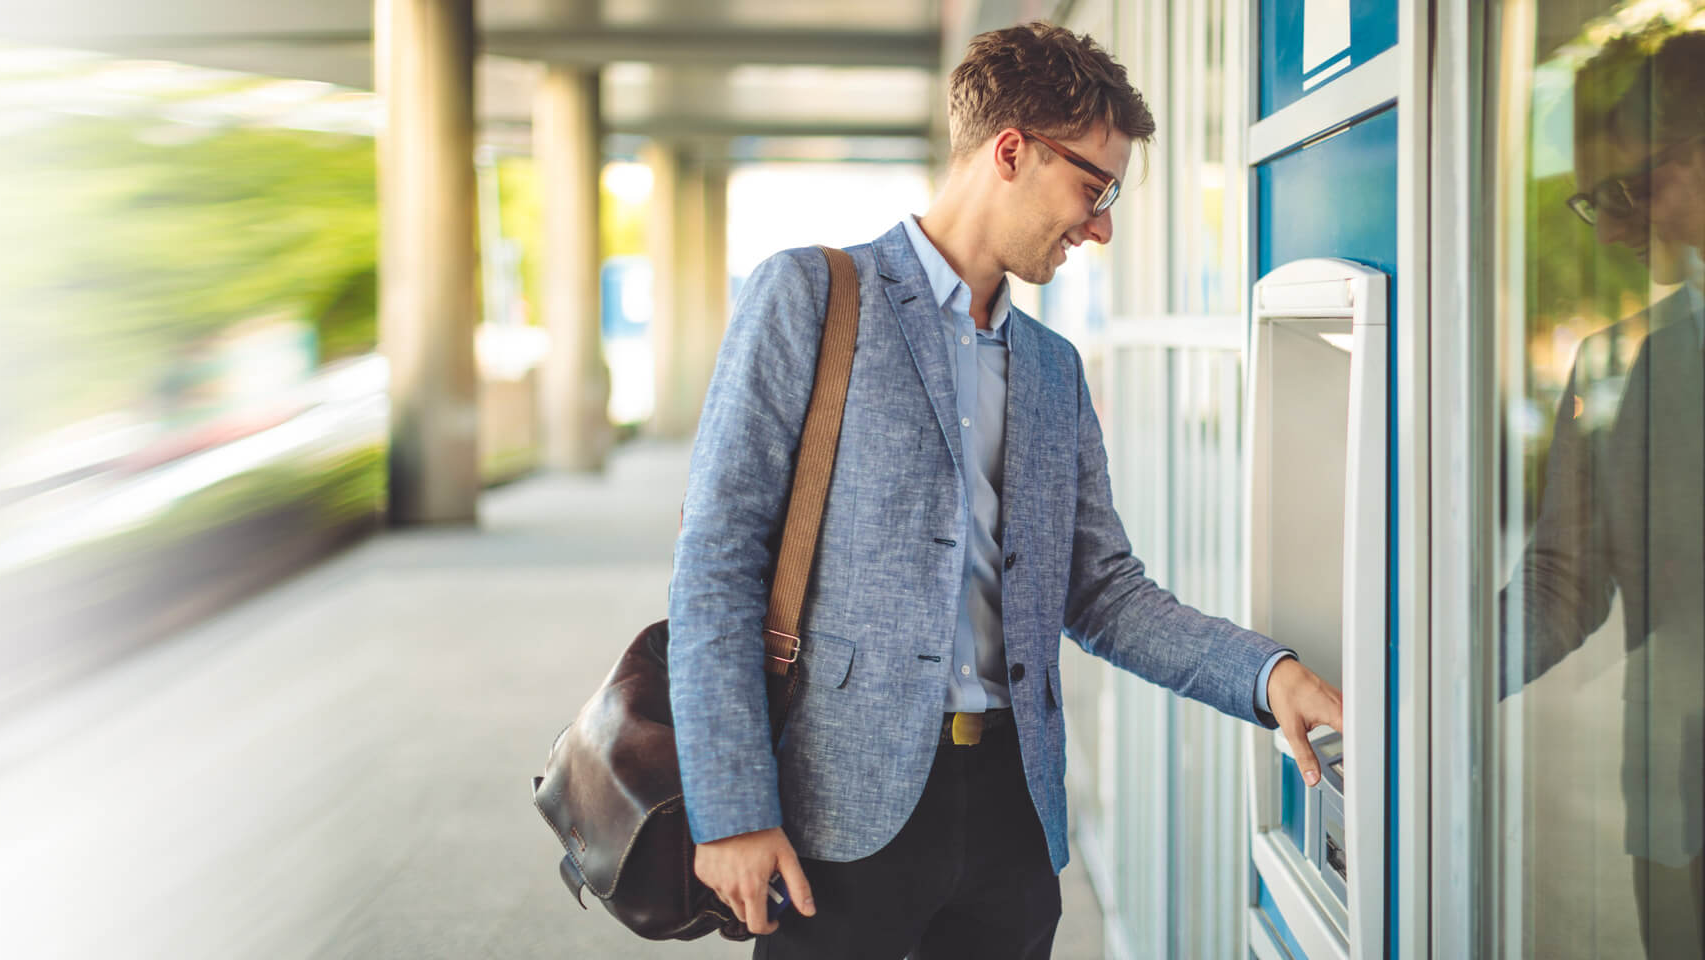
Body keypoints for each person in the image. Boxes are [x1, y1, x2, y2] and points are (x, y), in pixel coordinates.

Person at [667, 22, 1345, 959]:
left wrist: (1268, 677)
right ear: (1012, 151)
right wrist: (731, 808)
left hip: (1012, 821)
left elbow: (1103, 591)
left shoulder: (1054, 369)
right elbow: (717, 561)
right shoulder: (812, 296)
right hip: (838, 812)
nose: (1101, 225)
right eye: (1094, 188)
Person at [1502, 28, 1704, 958]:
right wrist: (1413, 687)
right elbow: (1562, 583)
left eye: (1627, 190)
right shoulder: (1620, 362)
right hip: (1672, 801)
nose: (1615, 230)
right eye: (1596, 201)